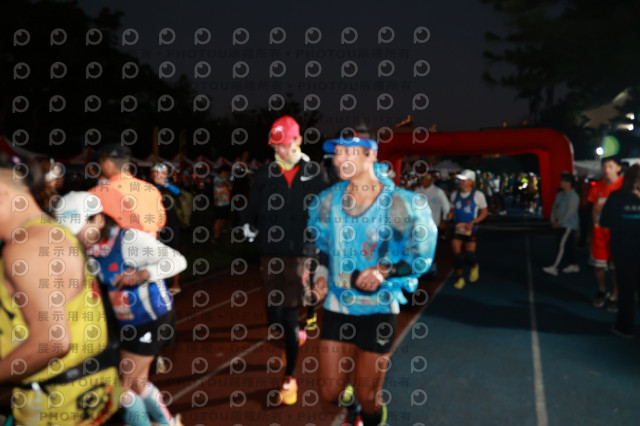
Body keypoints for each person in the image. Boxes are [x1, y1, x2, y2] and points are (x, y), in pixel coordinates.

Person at [308, 133, 437, 426]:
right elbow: (323, 248)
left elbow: (421, 257)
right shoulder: (328, 202)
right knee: (330, 392)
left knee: (369, 397)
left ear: (371, 155)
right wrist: (321, 277)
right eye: (337, 153)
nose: (339, 159)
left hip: (379, 309)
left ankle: (371, 418)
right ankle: (352, 409)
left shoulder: (399, 203)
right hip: (339, 306)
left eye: (348, 152)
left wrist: (384, 271)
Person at [0, 157, 121, 425]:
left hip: (56, 406)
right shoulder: (51, 232)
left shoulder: (26, 246)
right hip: (85, 395)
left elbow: (53, 340)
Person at [55, 191, 187, 426]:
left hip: (151, 318)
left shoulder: (129, 240)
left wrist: (144, 273)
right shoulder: (88, 250)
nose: (76, 236)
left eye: (79, 229)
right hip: (126, 323)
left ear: (99, 219)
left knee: (122, 386)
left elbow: (177, 260)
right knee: (138, 383)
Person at [240, 115, 327, 405]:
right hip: (270, 250)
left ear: (298, 140)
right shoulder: (266, 173)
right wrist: (247, 222)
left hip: (301, 252)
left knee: (288, 313)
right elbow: (253, 203)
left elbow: (324, 210)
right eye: (275, 145)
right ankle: (293, 336)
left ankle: (290, 377)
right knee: (273, 314)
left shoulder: (315, 173)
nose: (279, 150)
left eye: (284, 144)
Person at [89, 143, 166, 238]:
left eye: (100, 163)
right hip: (149, 243)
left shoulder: (97, 193)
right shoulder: (151, 189)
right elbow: (161, 221)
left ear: (108, 164)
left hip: (115, 244)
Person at [600, 164, 640, 338]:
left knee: (626, 291)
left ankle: (625, 327)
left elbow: (604, 221)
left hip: (623, 251)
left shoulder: (616, 197)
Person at [588, 157, 623, 311]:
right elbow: (594, 208)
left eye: (610, 166)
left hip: (618, 235)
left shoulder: (625, 185)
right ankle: (602, 290)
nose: (606, 170)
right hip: (599, 234)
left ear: (618, 168)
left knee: (616, 268)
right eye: (604, 167)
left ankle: (615, 295)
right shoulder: (597, 187)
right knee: (598, 266)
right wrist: (593, 227)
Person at [448, 169, 489, 289]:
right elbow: (452, 209)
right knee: (456, 256)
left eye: (463, 180)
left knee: (469, 256)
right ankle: (460, 279)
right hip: (457, 228)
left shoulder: (478, 195)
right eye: (459, 180)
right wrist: (450, 214)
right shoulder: (454, 194)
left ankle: (474, 265)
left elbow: (484, 212)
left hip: (470, 229)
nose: (460, 182)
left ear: (471, 181)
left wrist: (474, 222)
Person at [150, 162, 183, 295]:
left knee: (173, 253)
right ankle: (161, 284)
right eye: (154, 173)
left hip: (171, 225)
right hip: (156, 225)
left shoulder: (170, 186)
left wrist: (165, 184)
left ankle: (176, 284)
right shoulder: (150, 186)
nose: (156, 175)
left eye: (159, 173)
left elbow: (178, 193)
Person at [542, 172, 581, 276]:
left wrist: (559, 222)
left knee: (562, 246)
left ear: (568, 183)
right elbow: (554, 208)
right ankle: (574, 265)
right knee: (567, 246)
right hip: (560, 224)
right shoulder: (559, 195)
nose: (560, 183)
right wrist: (552, 220)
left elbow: (570, 212)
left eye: (562, 181)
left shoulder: (574, 196)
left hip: (568, 225)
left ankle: (554, 267)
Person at [414, 171, 450, 276]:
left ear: (431, 180)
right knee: (419, 247)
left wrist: (444, 220)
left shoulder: (438, 192)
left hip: (433, 225)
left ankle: (432, 267)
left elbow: (446, 207)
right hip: (419, 225)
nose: (425, 180)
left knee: (431, 247)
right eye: (422, 178)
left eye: (427, 178)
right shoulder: (417, 191)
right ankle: (421, 268)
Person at [211, 165, 232, 243]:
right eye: (227, 173)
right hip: (219, 203)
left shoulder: (224, 179)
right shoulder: (217, 178)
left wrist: (226, 181)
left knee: (223, 218)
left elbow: (230, 185)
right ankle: (215, 237)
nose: (228, 174)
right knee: (218, 220)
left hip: (226, 202)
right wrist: (225, 181)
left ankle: (220, 231)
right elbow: (220, 185)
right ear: (223, 172)